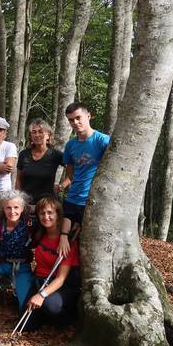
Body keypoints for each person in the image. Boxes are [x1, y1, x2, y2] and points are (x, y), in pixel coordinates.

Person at [22, 197, 80, 331]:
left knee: (50, 305)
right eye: (42, 213)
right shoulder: (40, 234)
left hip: (60, 285)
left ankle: (65, 319)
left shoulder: (67, 242)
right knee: (28, 326)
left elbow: (61, 278)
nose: (46, 217)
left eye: (50, 213)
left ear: (58, 215)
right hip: (40, 281)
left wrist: (41, 295)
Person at [59, 102, 110, 251]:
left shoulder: (103, 140)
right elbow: (70, 174)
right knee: (66, 243)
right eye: (71, 120)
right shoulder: (70, 146)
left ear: (88, 116)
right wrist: (62, 186)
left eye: (78, 118)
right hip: (72, 199)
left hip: (92, 201)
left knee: (87, 246)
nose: (75, 122)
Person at [0, 189, 35, 312]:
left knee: (25, 307)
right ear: (3, 208)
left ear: (22, 208)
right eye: (8, 207)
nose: (12, 211)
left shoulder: (29, 225)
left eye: (16, 207)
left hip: (21, 267)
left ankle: (18, 296)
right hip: (0, 263)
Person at [15, 119, 64, 204]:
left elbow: (73, 170)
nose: (37, 135)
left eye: (41, 132)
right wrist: (18, 199)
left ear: (48, 135)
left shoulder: (55, 155)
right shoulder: (24, 154)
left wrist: (62, 186)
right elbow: (18, 179)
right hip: (26, 203)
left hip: (46, 204)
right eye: (34, 132)